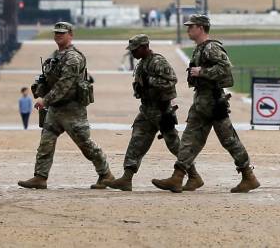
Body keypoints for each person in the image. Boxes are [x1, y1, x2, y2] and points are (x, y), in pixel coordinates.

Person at [152, 14, 259, 194]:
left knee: (228, 140)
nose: (188, 30)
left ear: (201, 28)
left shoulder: (211, 48)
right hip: (203, 101)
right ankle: (179, 177)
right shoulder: (200, 48)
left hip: (213, 101)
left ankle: (248, 176)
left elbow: (225, 68)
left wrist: (202, 71)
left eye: (191, 26)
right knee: (190, 138)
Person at [18, 21, 115, 190]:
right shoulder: (56, 55)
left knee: (85, 144)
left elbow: (65, 84)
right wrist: (39, 86)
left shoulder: (73, 58)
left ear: (71, 35)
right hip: (56, 109)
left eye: (62, 33)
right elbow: (49, 77)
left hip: (72, 109)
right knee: (46, 142)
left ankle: (105, 174)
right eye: (56, 33)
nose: (58, 36)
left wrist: (45, 100)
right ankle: (40, 177)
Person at [107, 34, 201, 191]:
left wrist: (149, 81)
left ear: (144, 47)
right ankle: (127, 178)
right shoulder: (142, 63)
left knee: (174, 144)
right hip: (146, 110)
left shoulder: (158, 61)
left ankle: (194, 176)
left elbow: (172, 80)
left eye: (135, 50)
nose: (132, 53)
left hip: (162, 109)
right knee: (137, 141)